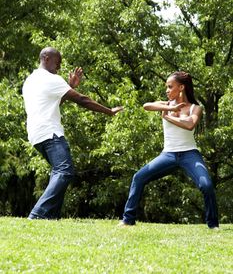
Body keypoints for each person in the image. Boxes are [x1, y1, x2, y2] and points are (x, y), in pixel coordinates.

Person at [22, 47, 123, 220]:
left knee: (58, 172)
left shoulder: (30, 80)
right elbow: (82, 99)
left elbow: (52, 104)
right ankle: (37, 214)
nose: (59, 67)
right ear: (46, 58)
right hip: (50, 132)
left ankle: (52, 217)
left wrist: (69, 87)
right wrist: (109, 111)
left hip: (36, 134)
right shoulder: (50, 78)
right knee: (65, 171)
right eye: (57, 62)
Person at [119, 71, 219, 229]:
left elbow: (189, 124)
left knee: (206, 185)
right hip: (168, 154)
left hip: (190, 154)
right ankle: (127, 220)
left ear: (181, 87)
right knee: (139, 177)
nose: (166, 90)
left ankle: (213, 225)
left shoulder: (195, 108)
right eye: (166, 87)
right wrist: (166, 107)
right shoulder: (166, 104)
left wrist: (168, 116)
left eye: (169, 87)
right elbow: (146, 106)